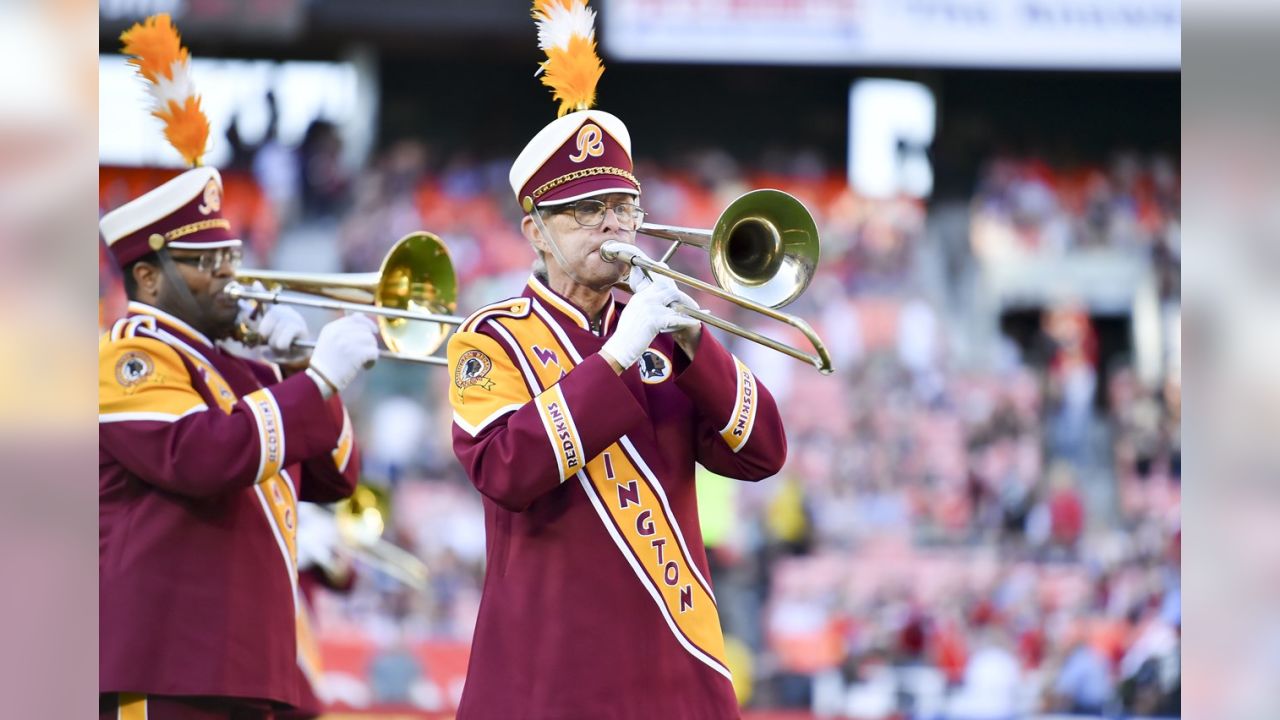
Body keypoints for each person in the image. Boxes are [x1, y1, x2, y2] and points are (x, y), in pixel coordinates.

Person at [445, 104, 788, 718]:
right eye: (587, 212)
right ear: (536, 232)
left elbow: (764, 452)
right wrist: (616, 356)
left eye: (624, 208)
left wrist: (695, 343)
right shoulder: (491, 338)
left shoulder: (663, 335)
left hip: (673, 670)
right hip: (550, 675)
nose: (614, 228)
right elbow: (505, 470)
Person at [98, 165, 381, 719]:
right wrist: (318, 380)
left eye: (231, 257)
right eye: (207, 263)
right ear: (150, 279)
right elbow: (199, 456)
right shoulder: (127, 355)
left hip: (250, 666)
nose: (229, 275)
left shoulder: (243, 370)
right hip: (166, 661)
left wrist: (300, 367)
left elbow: (337, 478)